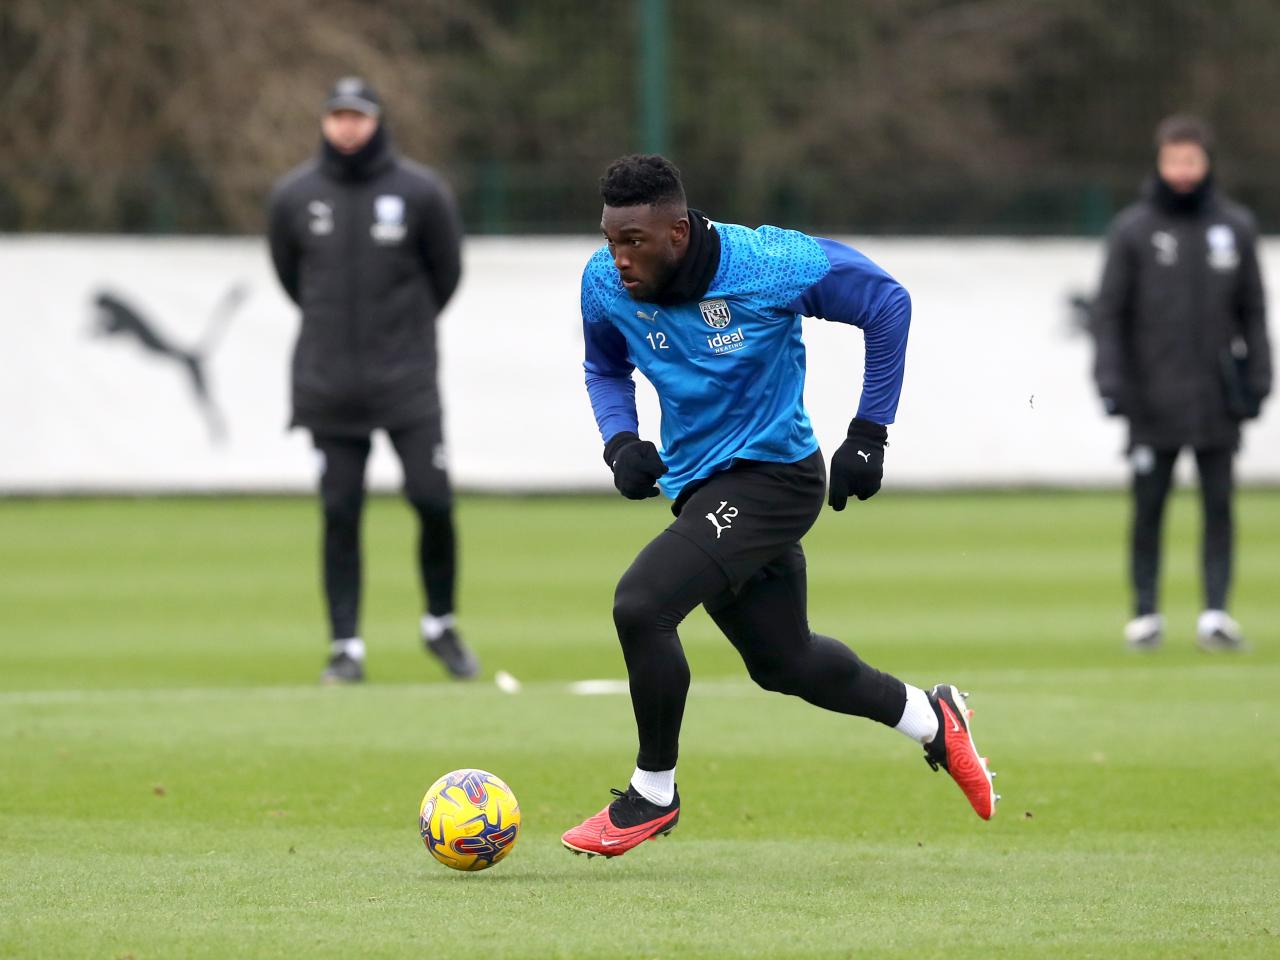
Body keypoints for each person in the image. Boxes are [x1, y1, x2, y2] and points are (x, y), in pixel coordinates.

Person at [560, 154, 998, 859]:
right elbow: (604, 366)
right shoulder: (603, 283)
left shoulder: (769, 262)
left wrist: (868, 434)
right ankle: (931, 717)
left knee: (642, 604)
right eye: (609, 239)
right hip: (700, 489)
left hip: (776, 480)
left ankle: (653, 794)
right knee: (784, 663)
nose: (616, 259)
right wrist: (619, 443)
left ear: (677, 233)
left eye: (632, 242)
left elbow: (887, 304)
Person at [266, 77, 479, 683]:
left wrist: (402, 336)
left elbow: (447, 274)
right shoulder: (294, 196)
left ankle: (440, 624)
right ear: (325, 122)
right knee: (339, 512)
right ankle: (346, 647)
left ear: (377, 120)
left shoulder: (421, 192)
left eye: (357, 115)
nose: (347, 126)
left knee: (433, 500)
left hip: (406, 381)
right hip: (328, 385)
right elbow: (290, 276)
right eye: (337, 115)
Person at [1093, 114, 1271, 652]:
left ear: (1206, 162)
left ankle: (1216, 614)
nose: (1183, 170)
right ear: (1160, 161)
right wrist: (1112, 380)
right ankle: (1145, 614)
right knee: (1149, 507)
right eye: (1174, 160)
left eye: (1191, 160)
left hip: (1218, 398)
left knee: (1219, 507)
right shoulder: (1134, 230)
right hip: (1152, 399)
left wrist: (1258, 379)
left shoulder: (1234, 229)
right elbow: (1110, 314)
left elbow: (1254, 313)